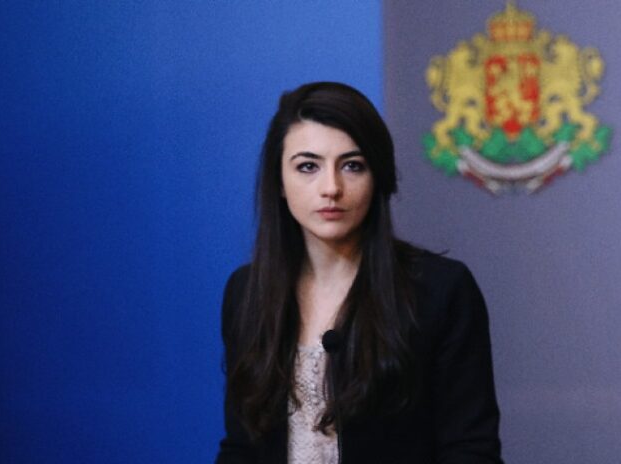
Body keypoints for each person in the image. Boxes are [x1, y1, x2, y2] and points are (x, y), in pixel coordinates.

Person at [215, 82, 503, 463]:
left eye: (352, 166)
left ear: (378, 177)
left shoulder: (441, 290)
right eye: (308, 167)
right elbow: (242, 446)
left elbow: (471, 451)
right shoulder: (246, 293)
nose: (331, 188)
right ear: (279, 182)